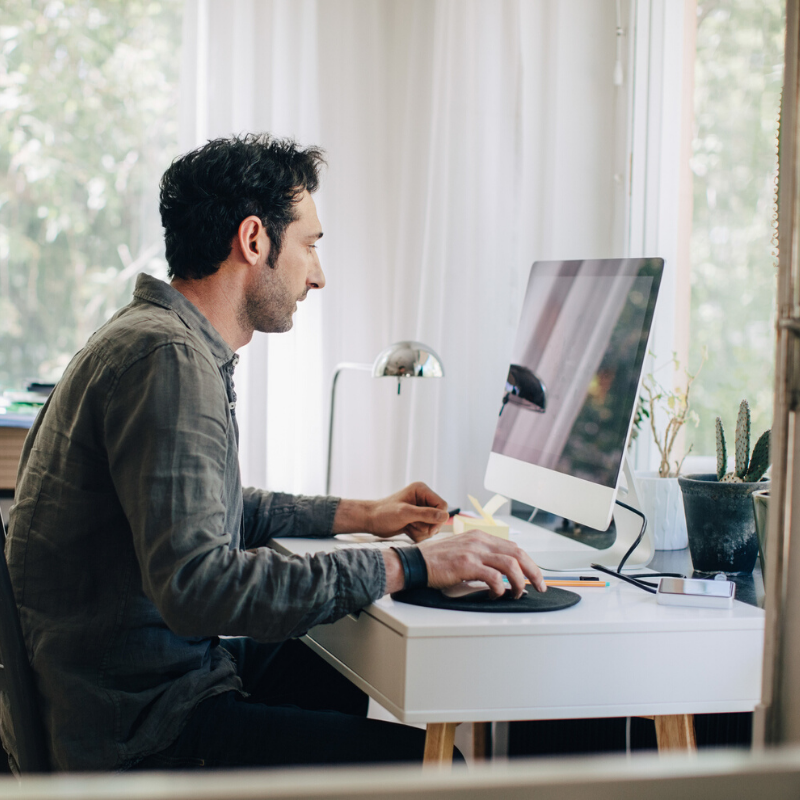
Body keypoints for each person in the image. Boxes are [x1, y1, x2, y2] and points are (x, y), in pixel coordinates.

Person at [0, 134, 545, 773]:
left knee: (334, 661)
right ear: (254, 240)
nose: (317, 274)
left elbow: (213, 512)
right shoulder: (168, 361)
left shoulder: (155, 339)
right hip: (141, 733)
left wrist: (364, 515)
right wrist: (412, 564)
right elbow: (200, 586)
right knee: (439, 769)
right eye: (311, 245)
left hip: (129, 692)